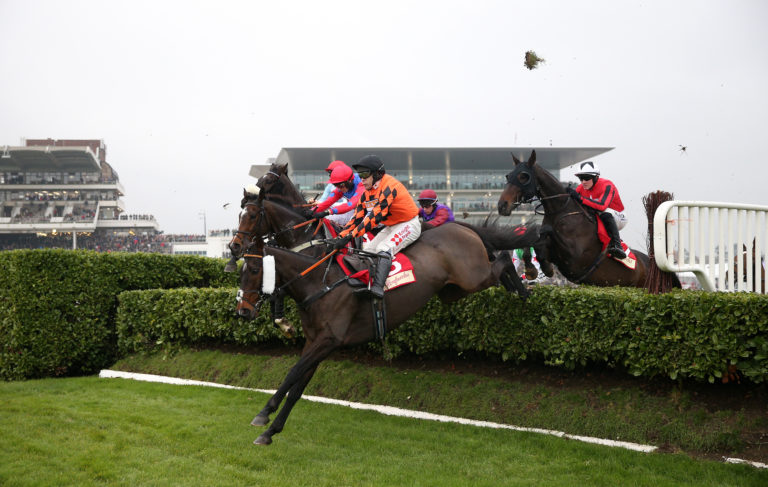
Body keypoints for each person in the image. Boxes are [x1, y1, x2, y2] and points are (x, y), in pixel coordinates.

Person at [330, 154, 421, 299]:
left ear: (378, 174)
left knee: (383, 249)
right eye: (360, 174)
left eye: (365, 174)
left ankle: (378, 288)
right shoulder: (367, 194)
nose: (362, 178)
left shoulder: (390, 186)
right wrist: (340, 237)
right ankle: (365, 285)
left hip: (409, 223)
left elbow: (374, 217)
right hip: (392, 225)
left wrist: (349, 237)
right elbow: (356, 219)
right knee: (367, 252)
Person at [567, 161, 628, 259]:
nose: (583, 182)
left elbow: (602, 206)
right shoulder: (581, 188)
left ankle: (617, 246)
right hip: (599, 215)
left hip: (619, 217)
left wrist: (580, 198)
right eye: (581, 178)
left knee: (605, 213)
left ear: (596, 177)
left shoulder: (607, 185)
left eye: (587, 178)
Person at [309, 163, 365, 227]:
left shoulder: (361, 183)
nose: (338, 188)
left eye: (341, 185)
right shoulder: (343, 185)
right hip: (357, 211)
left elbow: (350, 205)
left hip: (371, 213)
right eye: (335, 185)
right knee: (326, 219)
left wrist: (327, 212)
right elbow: (327, 202)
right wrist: (311, 211)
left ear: (349, 181)